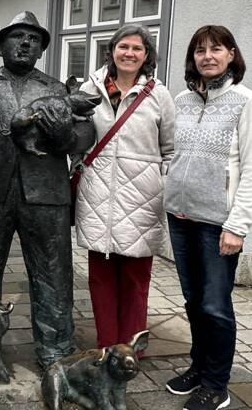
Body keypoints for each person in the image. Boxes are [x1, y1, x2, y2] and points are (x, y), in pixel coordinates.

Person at [0, 11, 95, 369]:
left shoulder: (56, 90)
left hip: (46, 194)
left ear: (42, 49)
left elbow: (83, 135)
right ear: (0, 46)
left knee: (52, 273)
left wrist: (63, 134)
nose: (26, 43)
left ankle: (55, 347)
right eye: (17, 36)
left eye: (33, 39)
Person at [164, 26, 252, 410]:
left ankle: (216, 383)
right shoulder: (183, 100)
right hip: (180, 215)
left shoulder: (246, 102)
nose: (207, 56)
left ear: (231, 55)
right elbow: (174, 152)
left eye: (216, 49)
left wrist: (237, 226)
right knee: (193, 300)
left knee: (215, 304)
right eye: (200, 50)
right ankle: (198, 366)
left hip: (217, 222)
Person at [74, 25, 175, 353]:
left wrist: (162, 186)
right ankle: (107, 345)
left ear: (147, 55)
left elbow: (171, 150)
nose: (129, 53)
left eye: (137, 48)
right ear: (112, 50)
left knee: (135, 279)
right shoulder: (90, 89)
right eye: (123, 46)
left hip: (142, 198)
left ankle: (131, 347)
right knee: (101, 279)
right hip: (98, 195)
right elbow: (76, 139)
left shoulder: (159, 95)